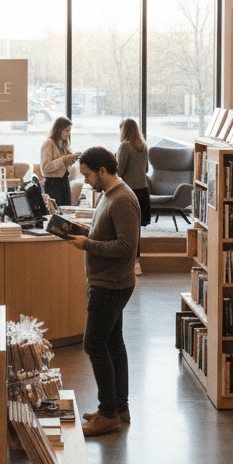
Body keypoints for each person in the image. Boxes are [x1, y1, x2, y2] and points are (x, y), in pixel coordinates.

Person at [67, 146, 141, 437]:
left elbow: (126, 248)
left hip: (110, 285)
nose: (85, 181)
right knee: (112, 344)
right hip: (108, 282)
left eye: (87, 175)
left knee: (93, 344)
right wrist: (86, 233)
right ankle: (118, 407)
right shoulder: (110, 196)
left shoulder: (123, 200)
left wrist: (87, 245)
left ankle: (108, 413)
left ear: (102, 170)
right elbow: (109, 234)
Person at [116, 118, 150, 275]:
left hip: (129, 192)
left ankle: (125, 263)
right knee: (136, 229)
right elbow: (147, 170)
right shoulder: (143, 147)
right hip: (143, 191)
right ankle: (137, 262)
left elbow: (120, 171)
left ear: (124, 130)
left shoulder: (124, 146)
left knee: (124, 228)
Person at [40, 117, 81, 208]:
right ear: (59, 130)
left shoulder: (63, 143)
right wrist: (63, 159)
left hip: (64, 181)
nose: (68, 134)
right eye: (66, 131)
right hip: (52, 184)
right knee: (55, 211)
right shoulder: (48, 143)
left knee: (66, 210)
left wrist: (72, 158)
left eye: (69, 131)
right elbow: (45, 167)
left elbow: (62, 165)